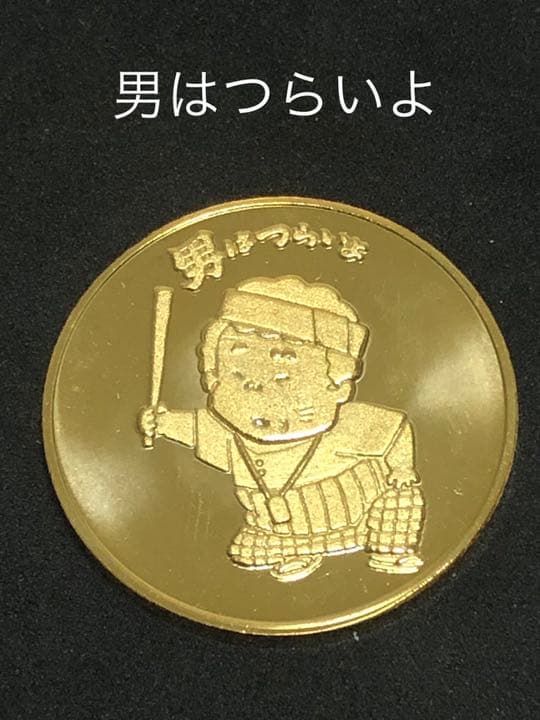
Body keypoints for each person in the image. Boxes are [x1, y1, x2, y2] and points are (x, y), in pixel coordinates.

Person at [139, 276, 425, 582]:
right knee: (245, 552)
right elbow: (197, 429)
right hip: (274, 525)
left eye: (285, 375)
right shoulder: (232, 437)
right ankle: (296, 552)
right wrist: (163, 423)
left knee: (399, 502)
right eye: (242, 374)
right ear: (214, 375)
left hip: (359, 515)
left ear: (337, 386)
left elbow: (394, 430)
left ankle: (392, 551)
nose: (261, 385)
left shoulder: (348, 425)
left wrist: (402, 468)